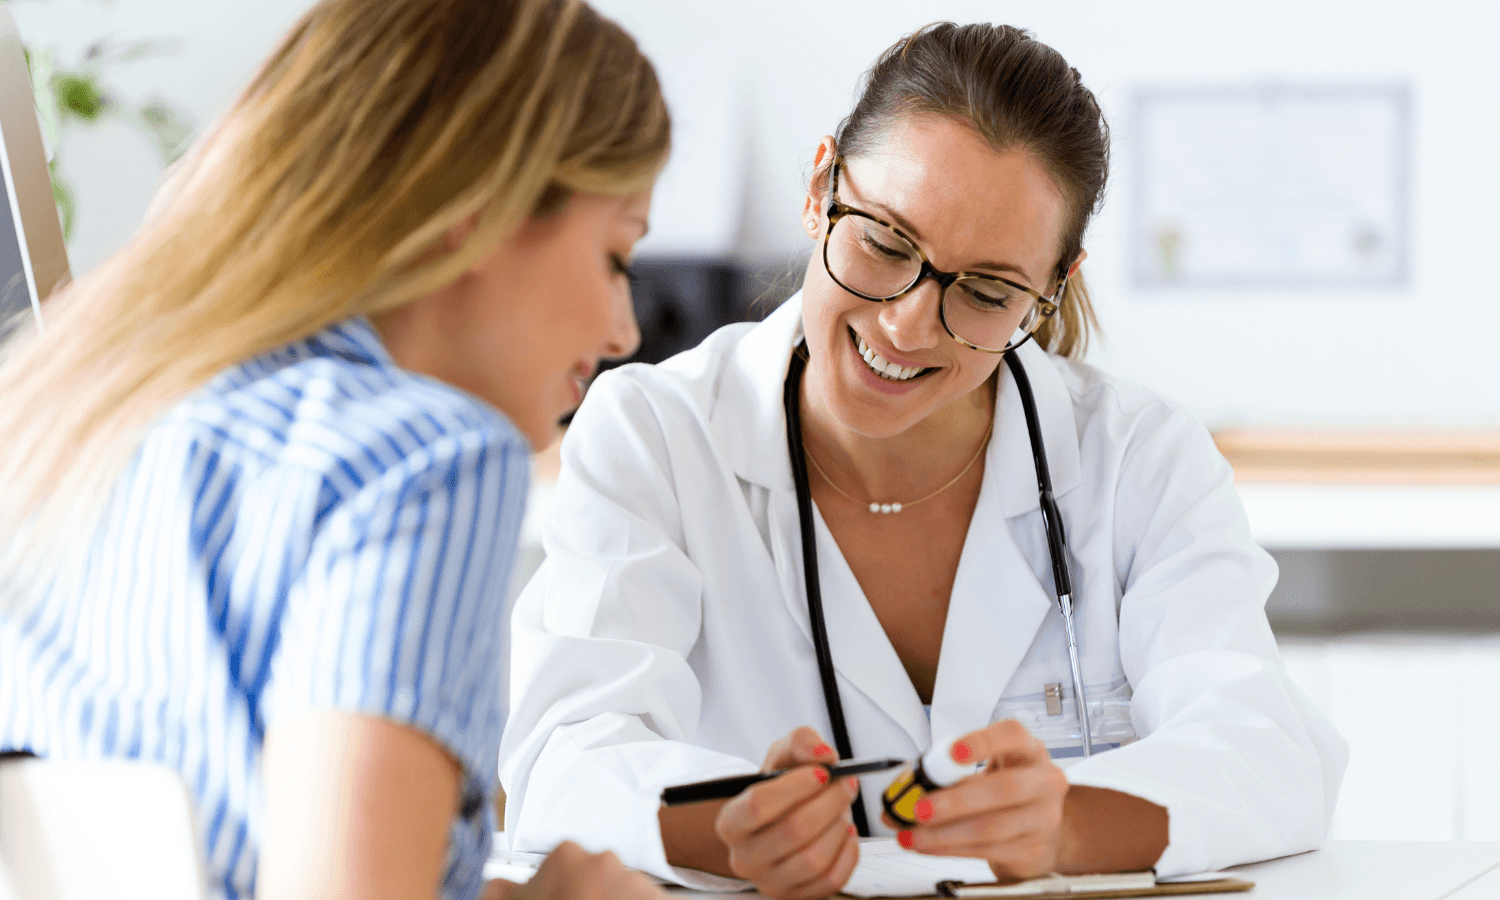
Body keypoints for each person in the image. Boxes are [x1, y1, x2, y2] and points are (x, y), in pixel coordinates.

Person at [499, 21, 1348, 900]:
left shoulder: (1139, 458)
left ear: (1051, 284)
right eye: (884, 243)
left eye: (985, 292)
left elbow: (1267, 750)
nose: (906, 324)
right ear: (822, 185)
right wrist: (734, 827)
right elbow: (565, 760)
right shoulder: (656, 436)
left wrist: (1065, 822)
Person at [0, 1, 671, 898]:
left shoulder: (74, 418)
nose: (624, 327)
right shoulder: (425, 461)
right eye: (617, 257)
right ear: (479, 207)